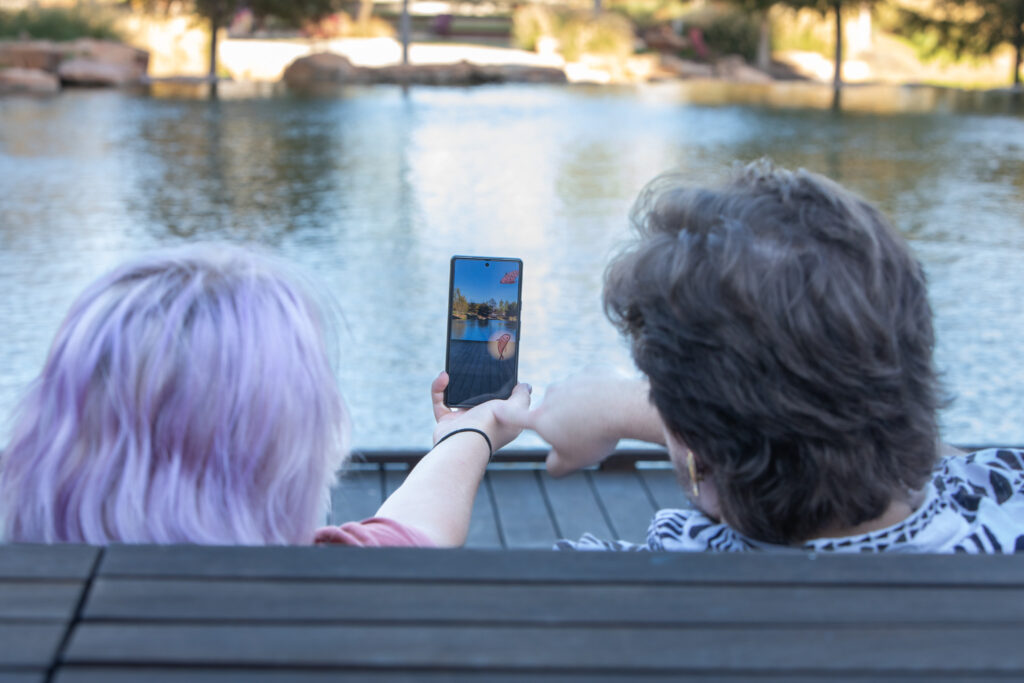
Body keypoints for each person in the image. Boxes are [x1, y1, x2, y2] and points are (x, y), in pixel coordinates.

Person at [510, 160, 1023, 553]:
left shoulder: (603, 589)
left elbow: (427, 563)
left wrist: (467, 437)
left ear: (700, 465)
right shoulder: (1004, 507)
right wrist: (636, 410)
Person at [0, 245, 528, 547]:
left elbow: (416, 529)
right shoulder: (325, 576)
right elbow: (421, 534)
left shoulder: (32, 580)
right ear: (284, 447)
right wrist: (471, 433)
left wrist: (465, 432)